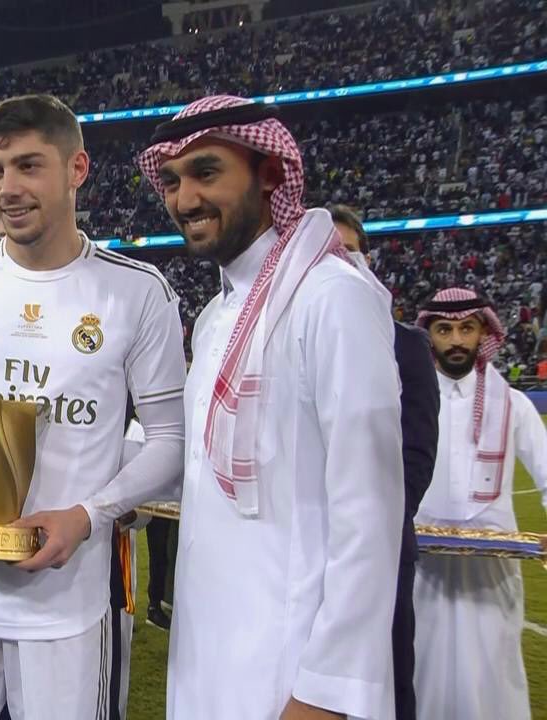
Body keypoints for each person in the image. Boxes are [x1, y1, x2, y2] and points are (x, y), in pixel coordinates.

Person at [0, 94, 187, 719]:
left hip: (67, 606)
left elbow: (171, 442)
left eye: (28, 166)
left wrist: (88, 515)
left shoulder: (138, 294)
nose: (7, 188)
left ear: (77, 169)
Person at [138, 95, 404, 719]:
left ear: (270, 172)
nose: (184, 200)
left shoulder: (331, 300)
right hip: (211, 656)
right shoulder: (213, 319)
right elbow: (202, 468)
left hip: (293, 672)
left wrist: (326, 690)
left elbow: (370, 511)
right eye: (173, 182)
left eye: (206, 173)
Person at [412, 287, 547, 720]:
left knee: (493, 677)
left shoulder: (513, 404)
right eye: (444, 329)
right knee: (421, 672)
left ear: (483, 332)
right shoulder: (406, 402)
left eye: (467, 329)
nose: (456, 340)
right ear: (428, 334)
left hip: (493, 574)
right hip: (421, 571)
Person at [331, 204, 440, 720]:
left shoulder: (408, 346)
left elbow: (417, 455)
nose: (339, 261)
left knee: (389, 685)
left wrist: (373, 527)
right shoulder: (295, 340)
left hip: (383, 550)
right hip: (315, 551)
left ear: (368, 259)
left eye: (348, 251)